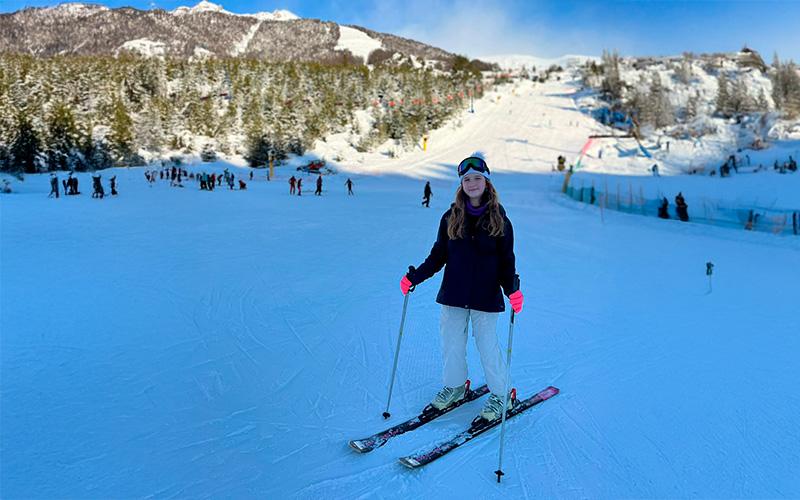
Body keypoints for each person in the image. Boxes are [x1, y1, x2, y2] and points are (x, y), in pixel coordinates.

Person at [399, 156, 524, 422]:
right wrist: (415, 277)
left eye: (477, 178)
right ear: (461, 184)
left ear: (487, 181)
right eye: (466, 179)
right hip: (454, 295)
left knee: (487, 345)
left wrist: (512, 290)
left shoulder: (501, 220)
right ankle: (456, 387)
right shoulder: (450, 218)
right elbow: (437, 256)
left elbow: (506, 261)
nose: (472, 183)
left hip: (486, 297)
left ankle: (503, 395)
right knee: (451, 343)